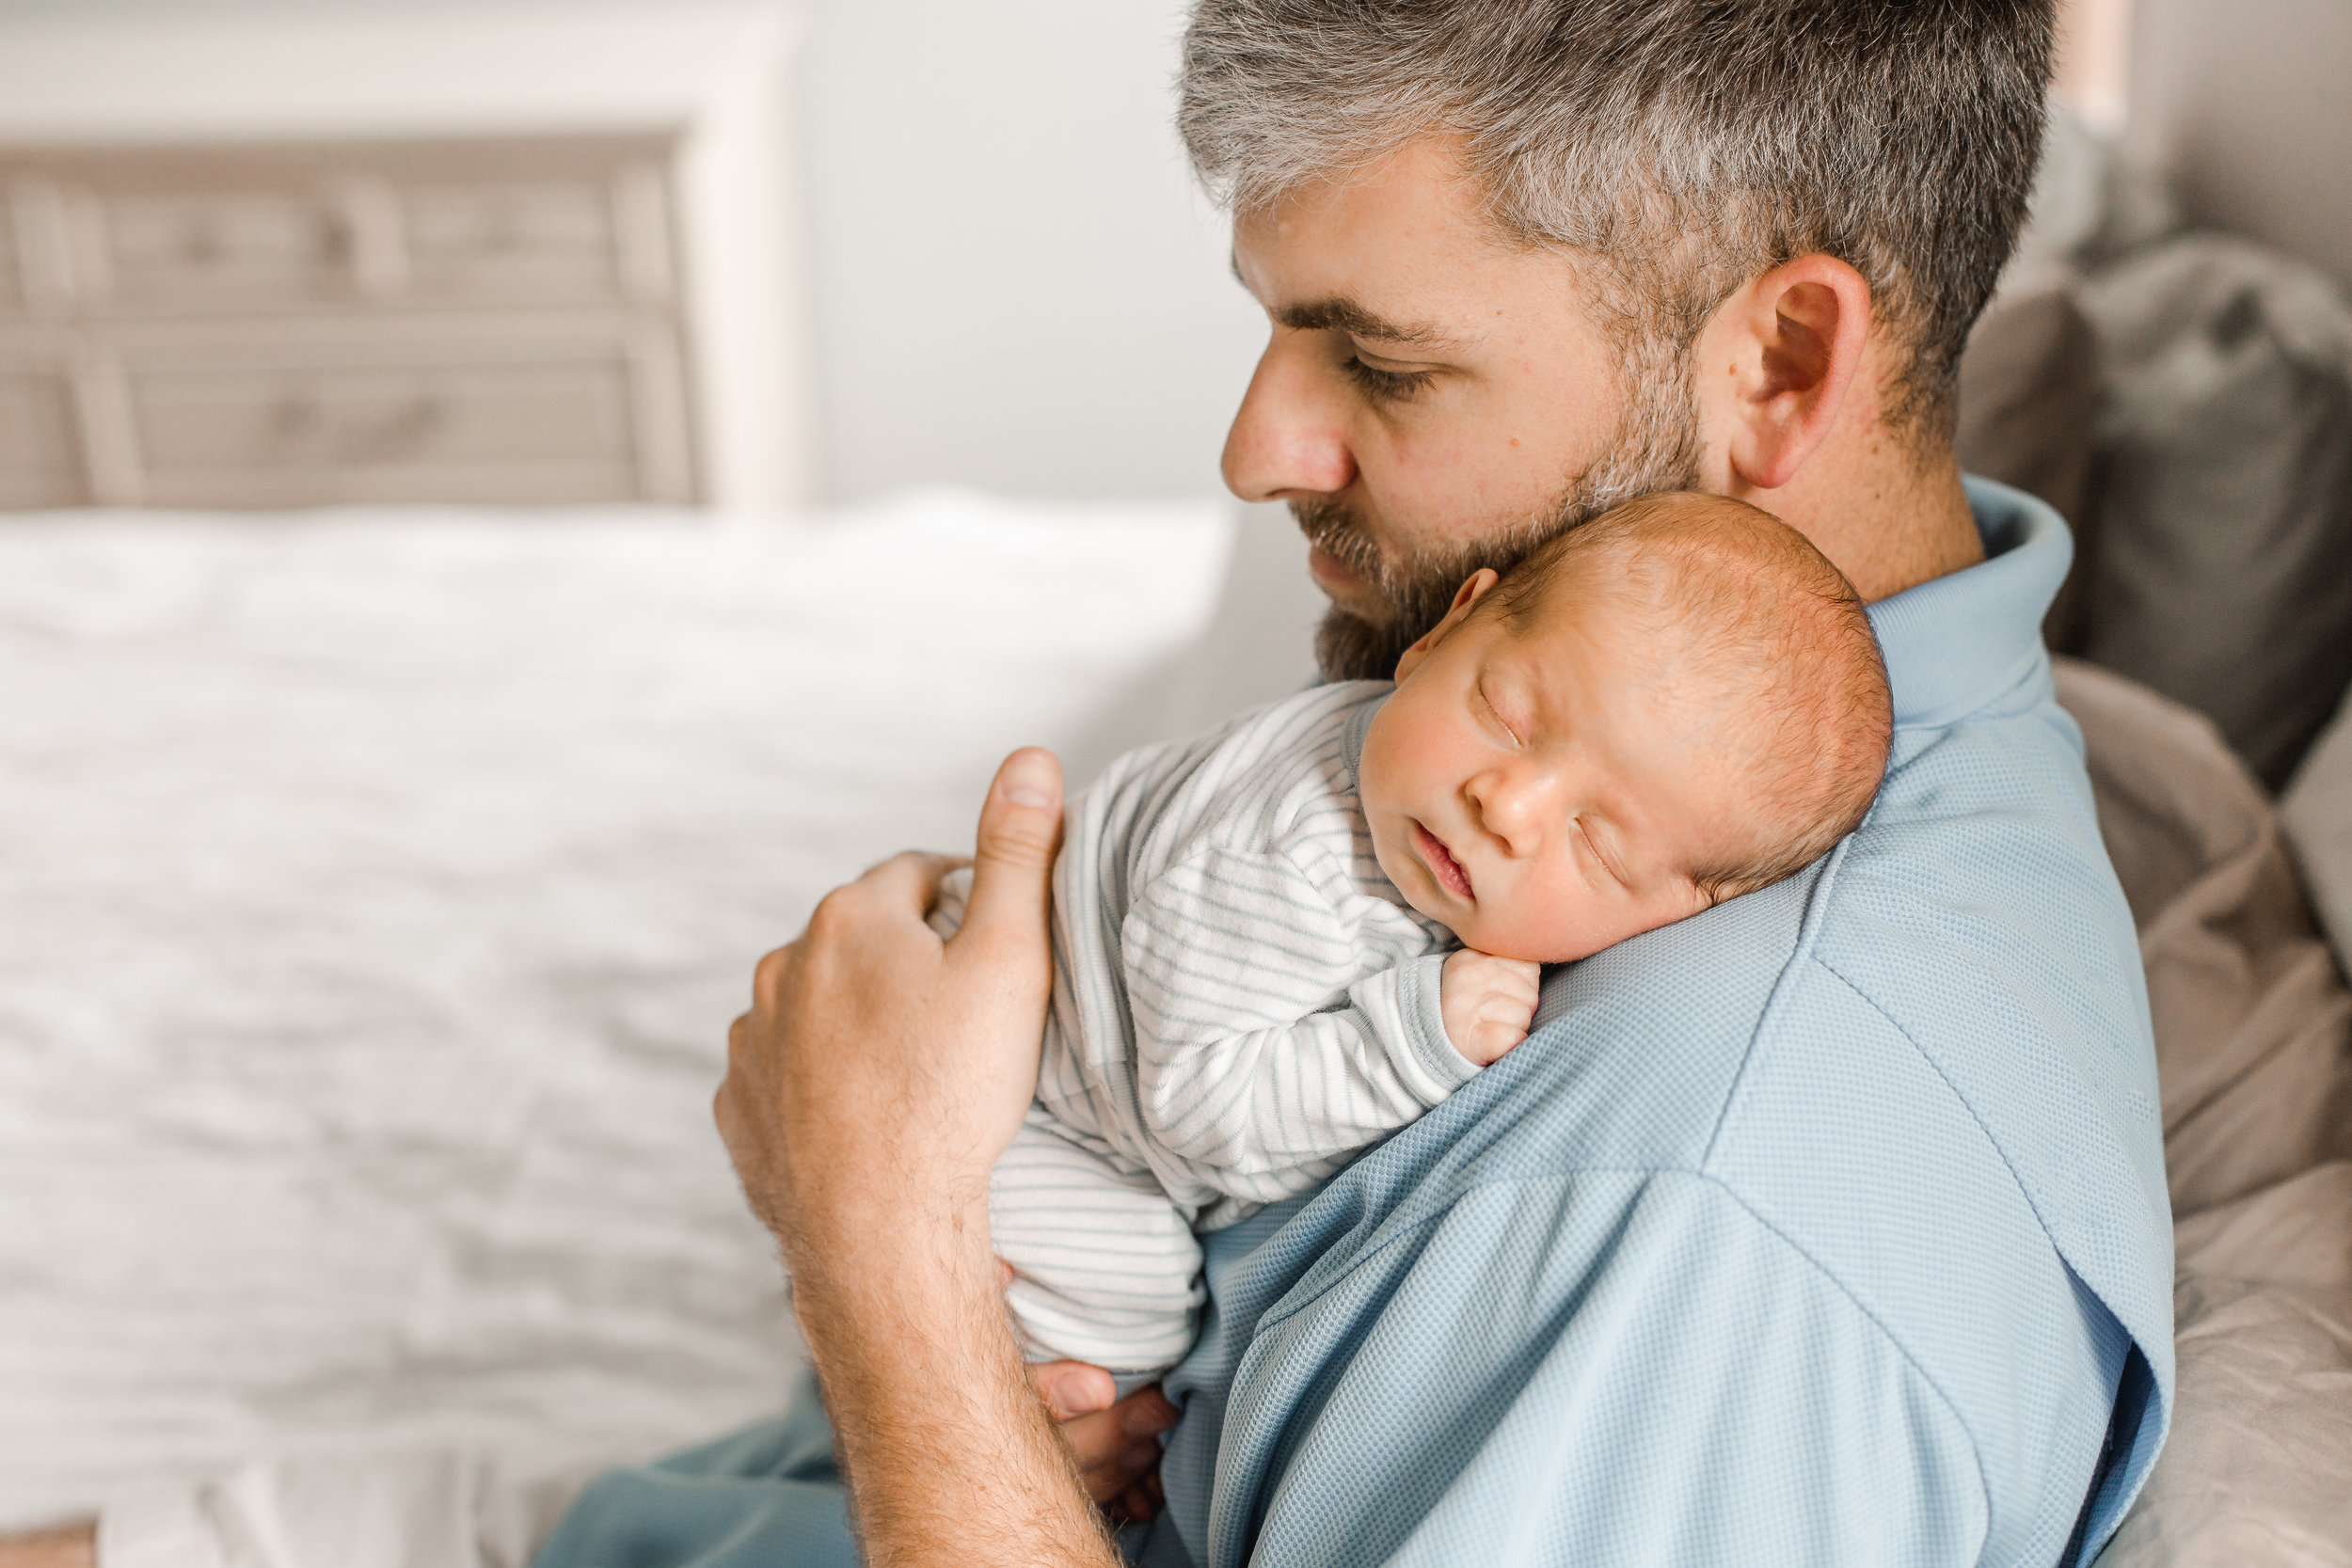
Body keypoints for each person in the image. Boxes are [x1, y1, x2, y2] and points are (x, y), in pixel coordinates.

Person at [1, 1, 2173, 1563]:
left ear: (1781, 362)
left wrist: (879, 1236)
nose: (1260, 448)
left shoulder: (1707, 1219)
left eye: (1378, 356)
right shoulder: (1730, 713)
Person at [961, 494, 1893, 1388]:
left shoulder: (1406, 779)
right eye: (1505, 714)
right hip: (1029, 1102)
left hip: (1073, 1073)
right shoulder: (1285, 863)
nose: (1507, 803)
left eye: (1595, 840)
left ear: (1677, 917)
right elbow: (1195, 1108)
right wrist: (1401, 1044)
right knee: (1129, 1309)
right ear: (1447, 631)